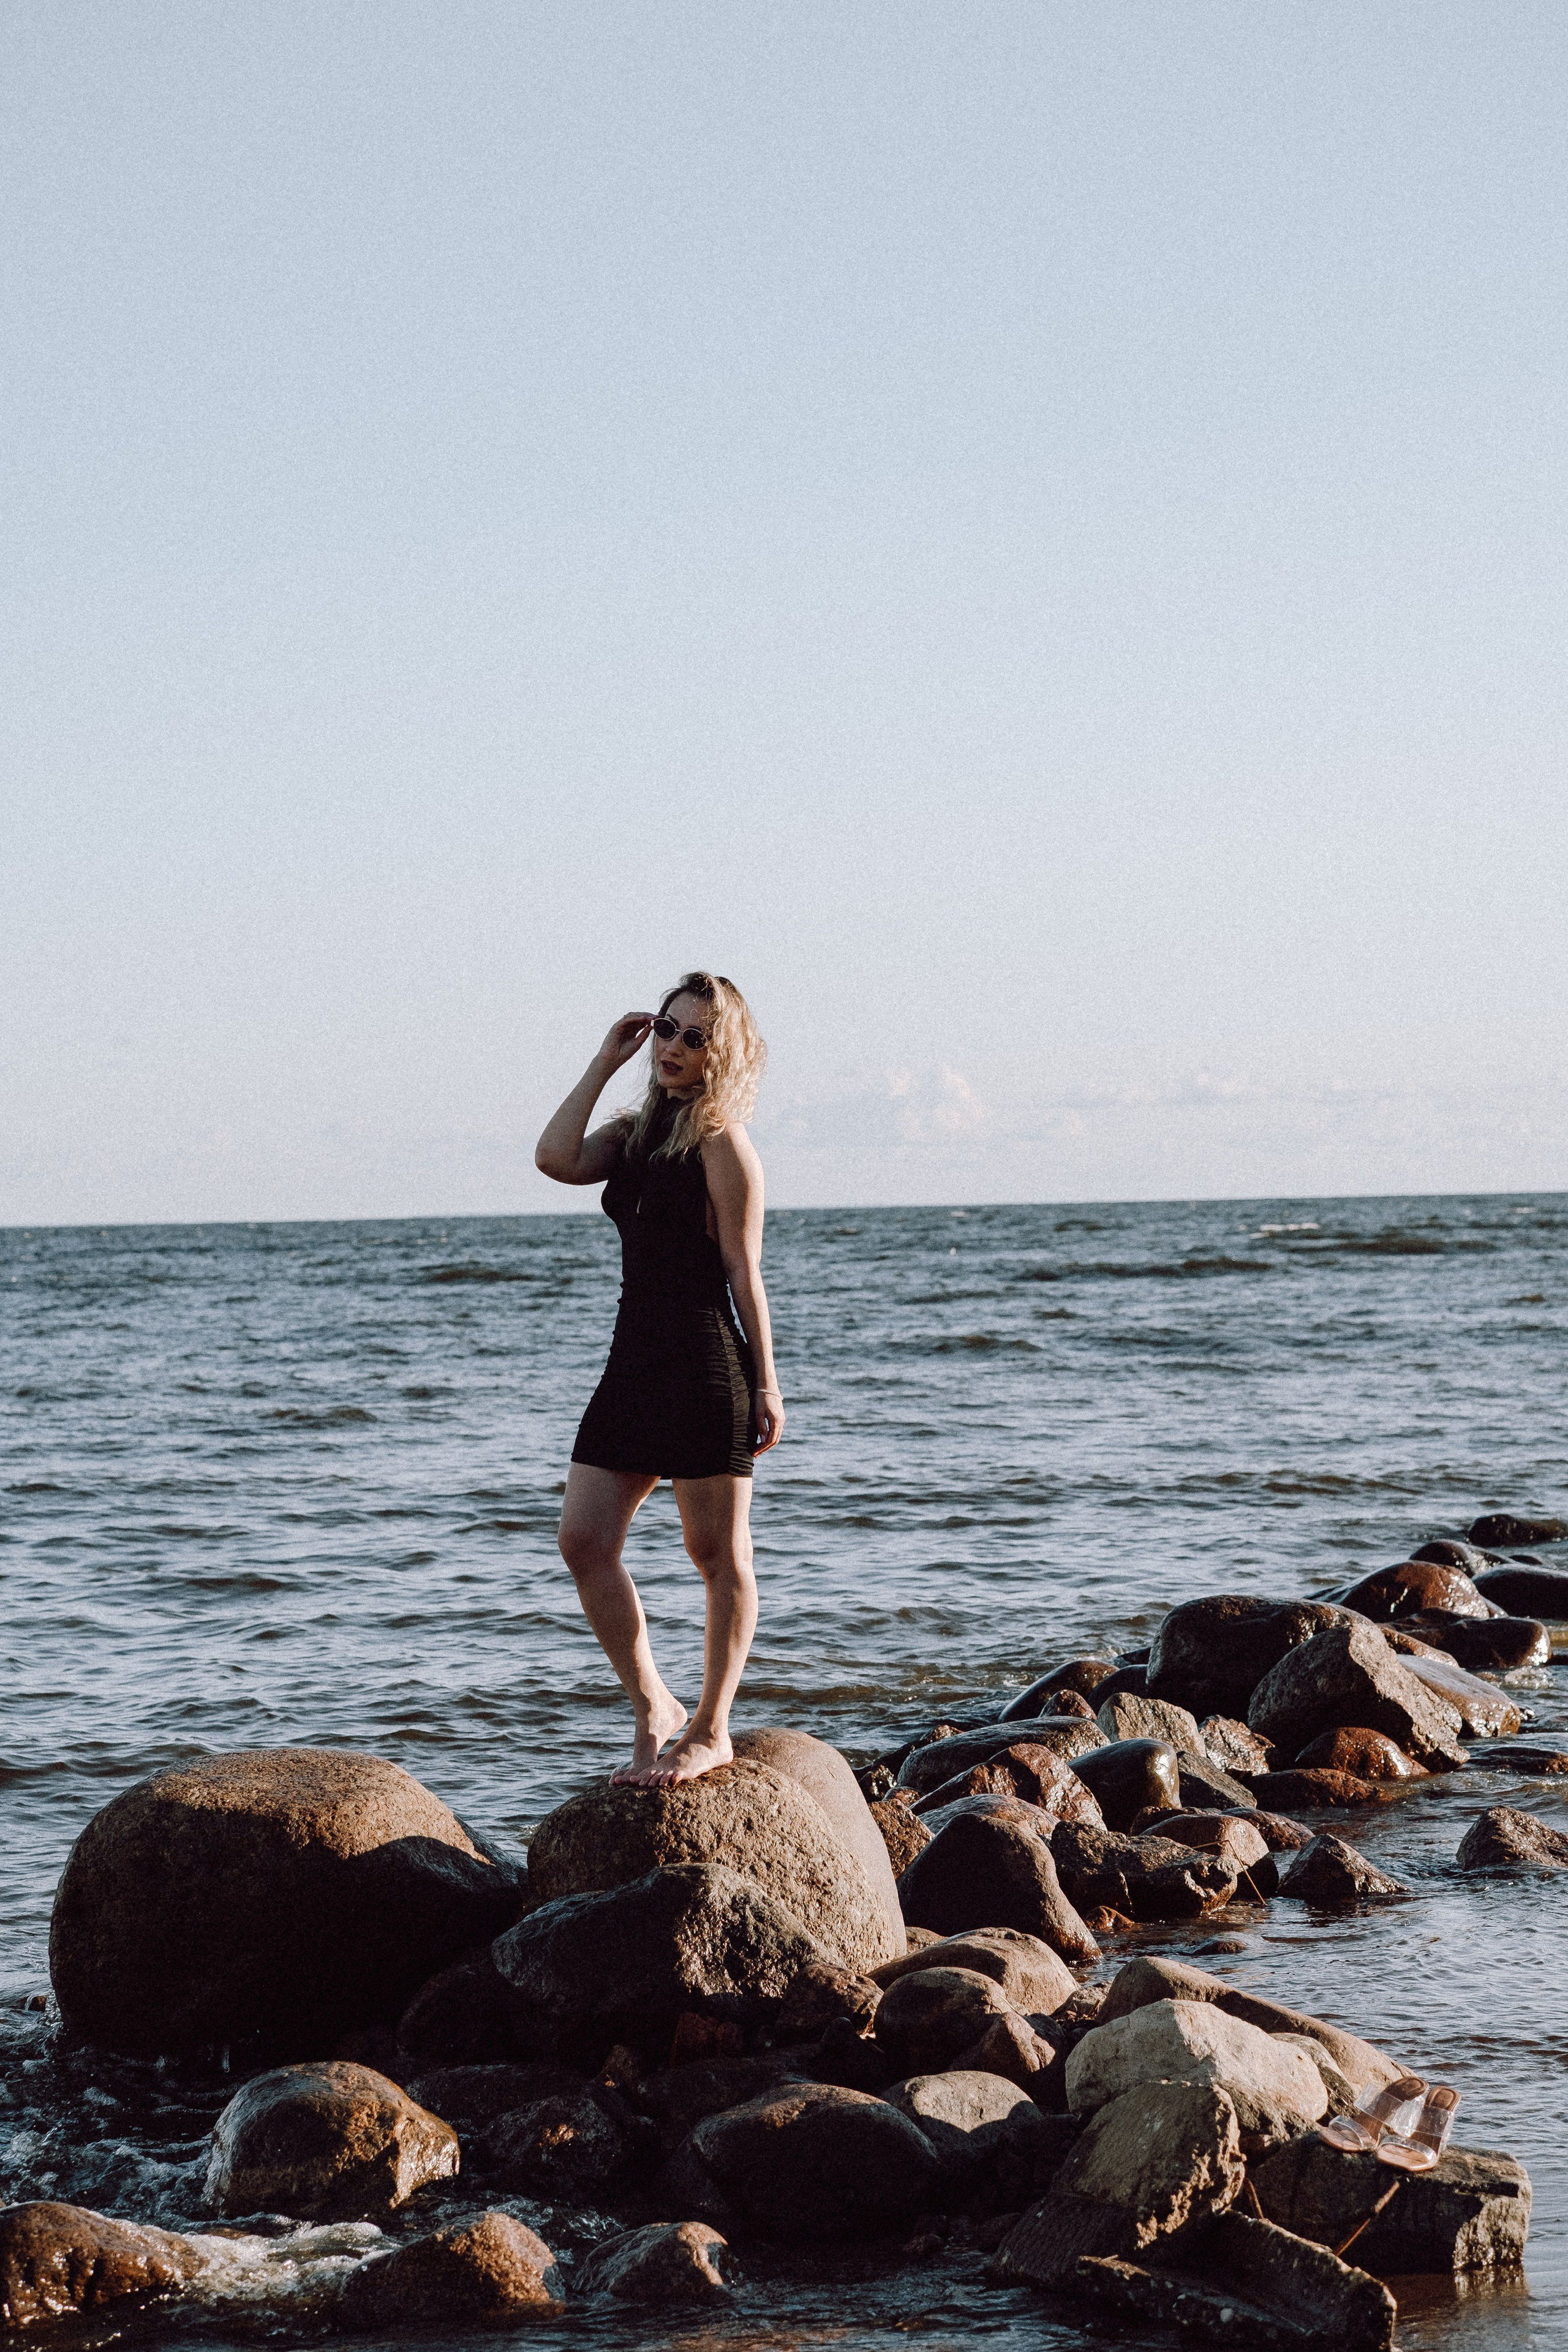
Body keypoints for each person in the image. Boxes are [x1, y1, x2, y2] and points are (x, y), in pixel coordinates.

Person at [535, 971, 783, 1785]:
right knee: (584, 1542)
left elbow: (746, 1276)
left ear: (725, 1051)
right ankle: (655, 1704)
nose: (675, 1048)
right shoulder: (634, 1134)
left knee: (718, 1556)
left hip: (707, 1364)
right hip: (633, 1364)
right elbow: (555, 1158)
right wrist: (604, 1062)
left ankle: (713, 1727)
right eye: (669, 1031)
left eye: (695, 1037)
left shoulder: (723, 1143)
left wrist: (769, 1385)